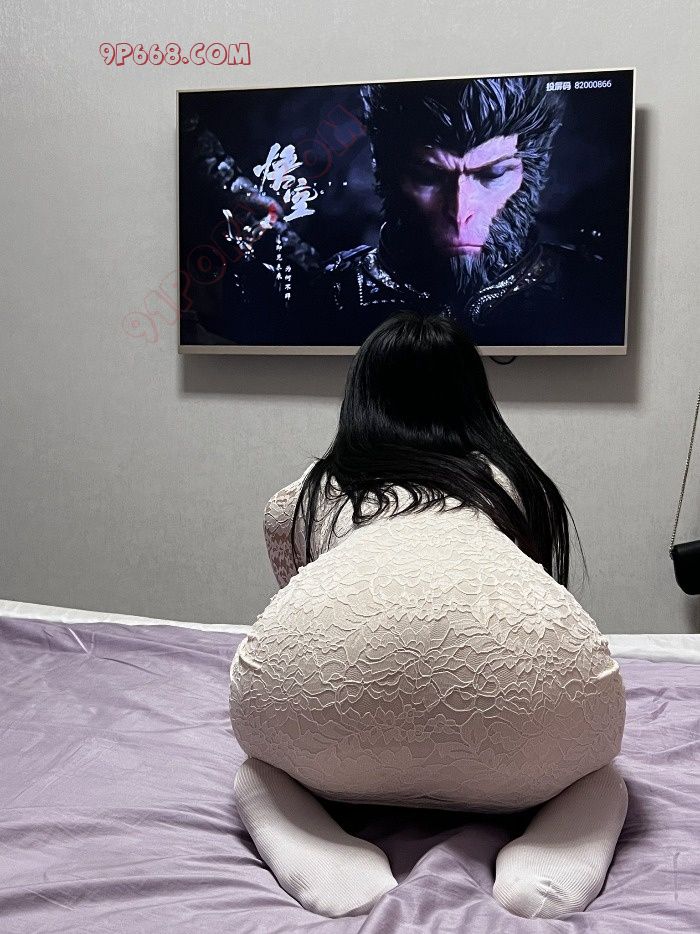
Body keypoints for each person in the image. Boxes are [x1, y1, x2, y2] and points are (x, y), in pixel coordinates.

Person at [229, 311, 628, 919]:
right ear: (473, 397)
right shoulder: (513, 484)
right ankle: (555, 852)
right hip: (521, 736)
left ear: (361, 394)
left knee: (262, 766)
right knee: (597, 770)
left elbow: (308, 607)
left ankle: (312, 844)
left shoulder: (305, 494)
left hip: (333, 735)